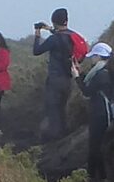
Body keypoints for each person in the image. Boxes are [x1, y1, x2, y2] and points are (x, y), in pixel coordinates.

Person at [79, 42, 114, 182]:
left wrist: (77, 76)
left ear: (98, 57)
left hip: (101, 115)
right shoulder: (107, 72)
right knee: (99, 147)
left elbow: (87, 91)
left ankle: (95, 179)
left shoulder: (100, 74)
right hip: (106, 115)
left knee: (95, 148)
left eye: (93, 56)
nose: (91, 59)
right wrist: (81, 75)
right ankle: (98, 178)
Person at [31, 9, 88, 142]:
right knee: (62, 107)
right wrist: (49, 28)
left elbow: (36, 51)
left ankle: (55, 138)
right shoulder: (73, 36)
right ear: (66, 21)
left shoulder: (54, 39)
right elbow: (62, 34)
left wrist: (38, 33)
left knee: (53, 108)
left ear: (53, 22)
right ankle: (64, 135)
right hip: (69, 78)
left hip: (55, 79)